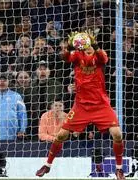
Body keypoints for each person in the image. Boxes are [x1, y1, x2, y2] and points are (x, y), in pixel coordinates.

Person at [35, 31, 125, 180]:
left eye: (90, 48)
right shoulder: (77, 56)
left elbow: (104, 57)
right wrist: (70, 46)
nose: (88, 51)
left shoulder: (99, 56)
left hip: (101, 105)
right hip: (81, 106)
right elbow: (64, 57)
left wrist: (95, 45)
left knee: (117, 134)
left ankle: (119, 169)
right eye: (85, 48)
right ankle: (47, 165)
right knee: (61, 135)